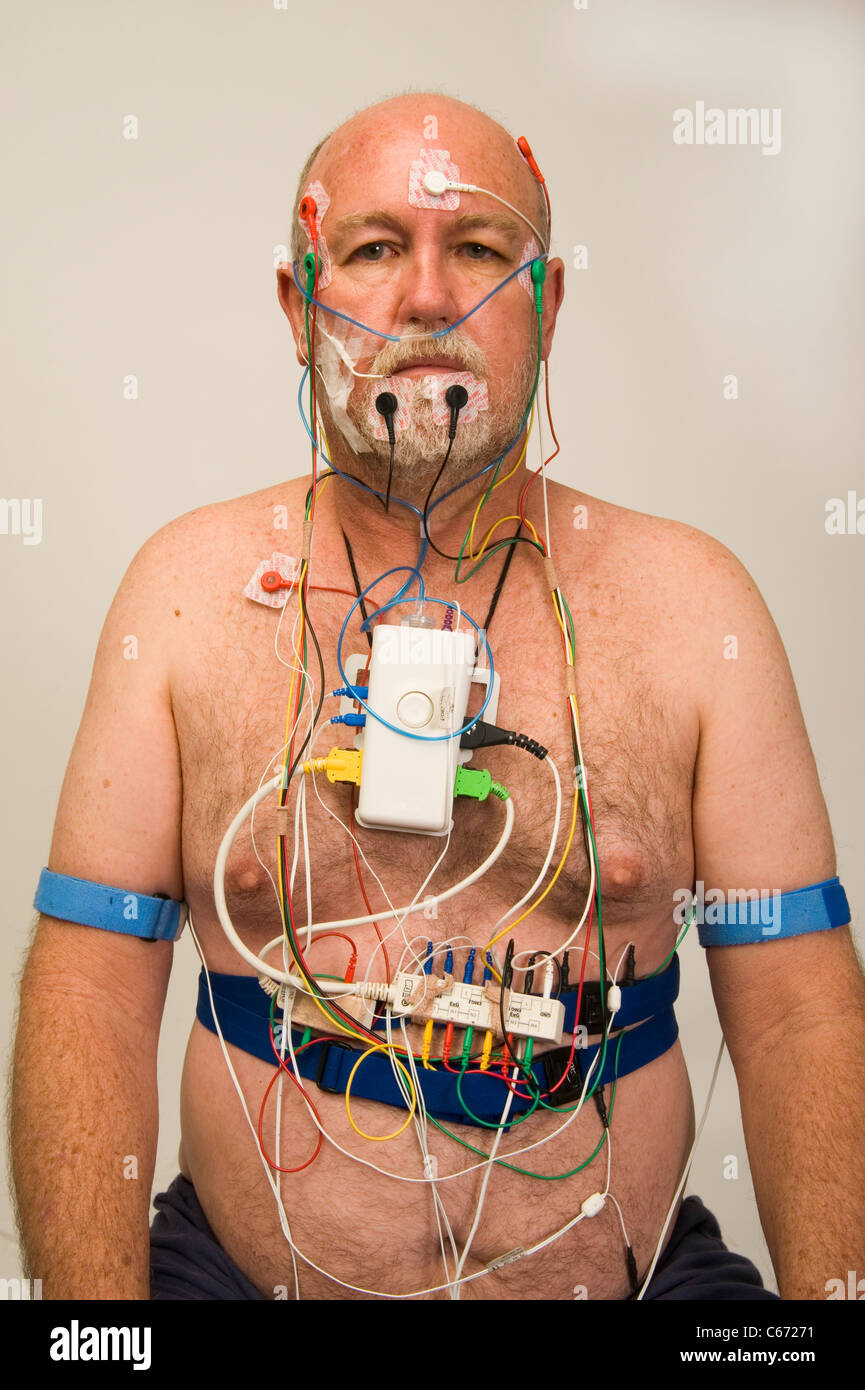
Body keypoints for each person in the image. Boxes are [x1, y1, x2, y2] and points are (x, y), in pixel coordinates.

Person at [10, 91, 865, 1302]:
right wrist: (96, 1340)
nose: (426, 297)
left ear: (548, 301)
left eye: (476, 249)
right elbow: (91, 985)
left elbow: (794, 1014)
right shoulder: (186, 595)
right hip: (240, 1278)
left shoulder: (694, 608)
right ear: (299, 302)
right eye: (371, 249)